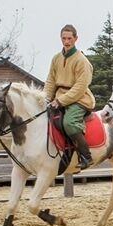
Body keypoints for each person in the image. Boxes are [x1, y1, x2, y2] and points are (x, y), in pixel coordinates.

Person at [43, 24, 96, 170]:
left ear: (76, 38)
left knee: (69, 123)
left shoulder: (82, 61)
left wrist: (60, 101)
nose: (66, 42)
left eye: (69, 38)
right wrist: (45, 98)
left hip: (80, 99)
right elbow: (50, 81)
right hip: (59, 98)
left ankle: (86, 156)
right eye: (64, 38)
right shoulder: (56, 59)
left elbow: (80, 88)